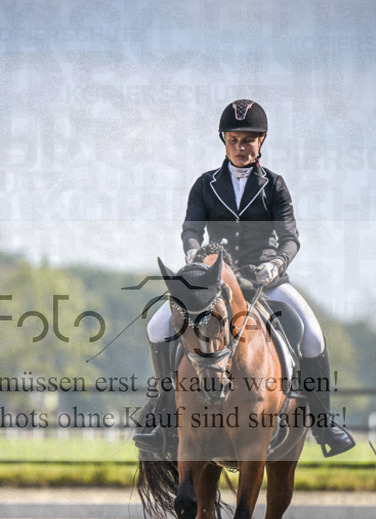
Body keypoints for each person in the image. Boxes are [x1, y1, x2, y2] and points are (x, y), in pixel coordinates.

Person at [134, 98, 356, 457]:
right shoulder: (206, 185)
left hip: (266, 280)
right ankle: (161, 414)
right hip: (213, 281)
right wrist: (193, 254)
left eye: (248, 140)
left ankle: (324, 422)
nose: (240, 147)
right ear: (224, 140)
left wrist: (277, 263)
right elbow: (191, 229)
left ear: (261, 141)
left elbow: (290, 238)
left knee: (313, 336)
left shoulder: (275, 186)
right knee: (157, 327)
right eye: (234, 139)